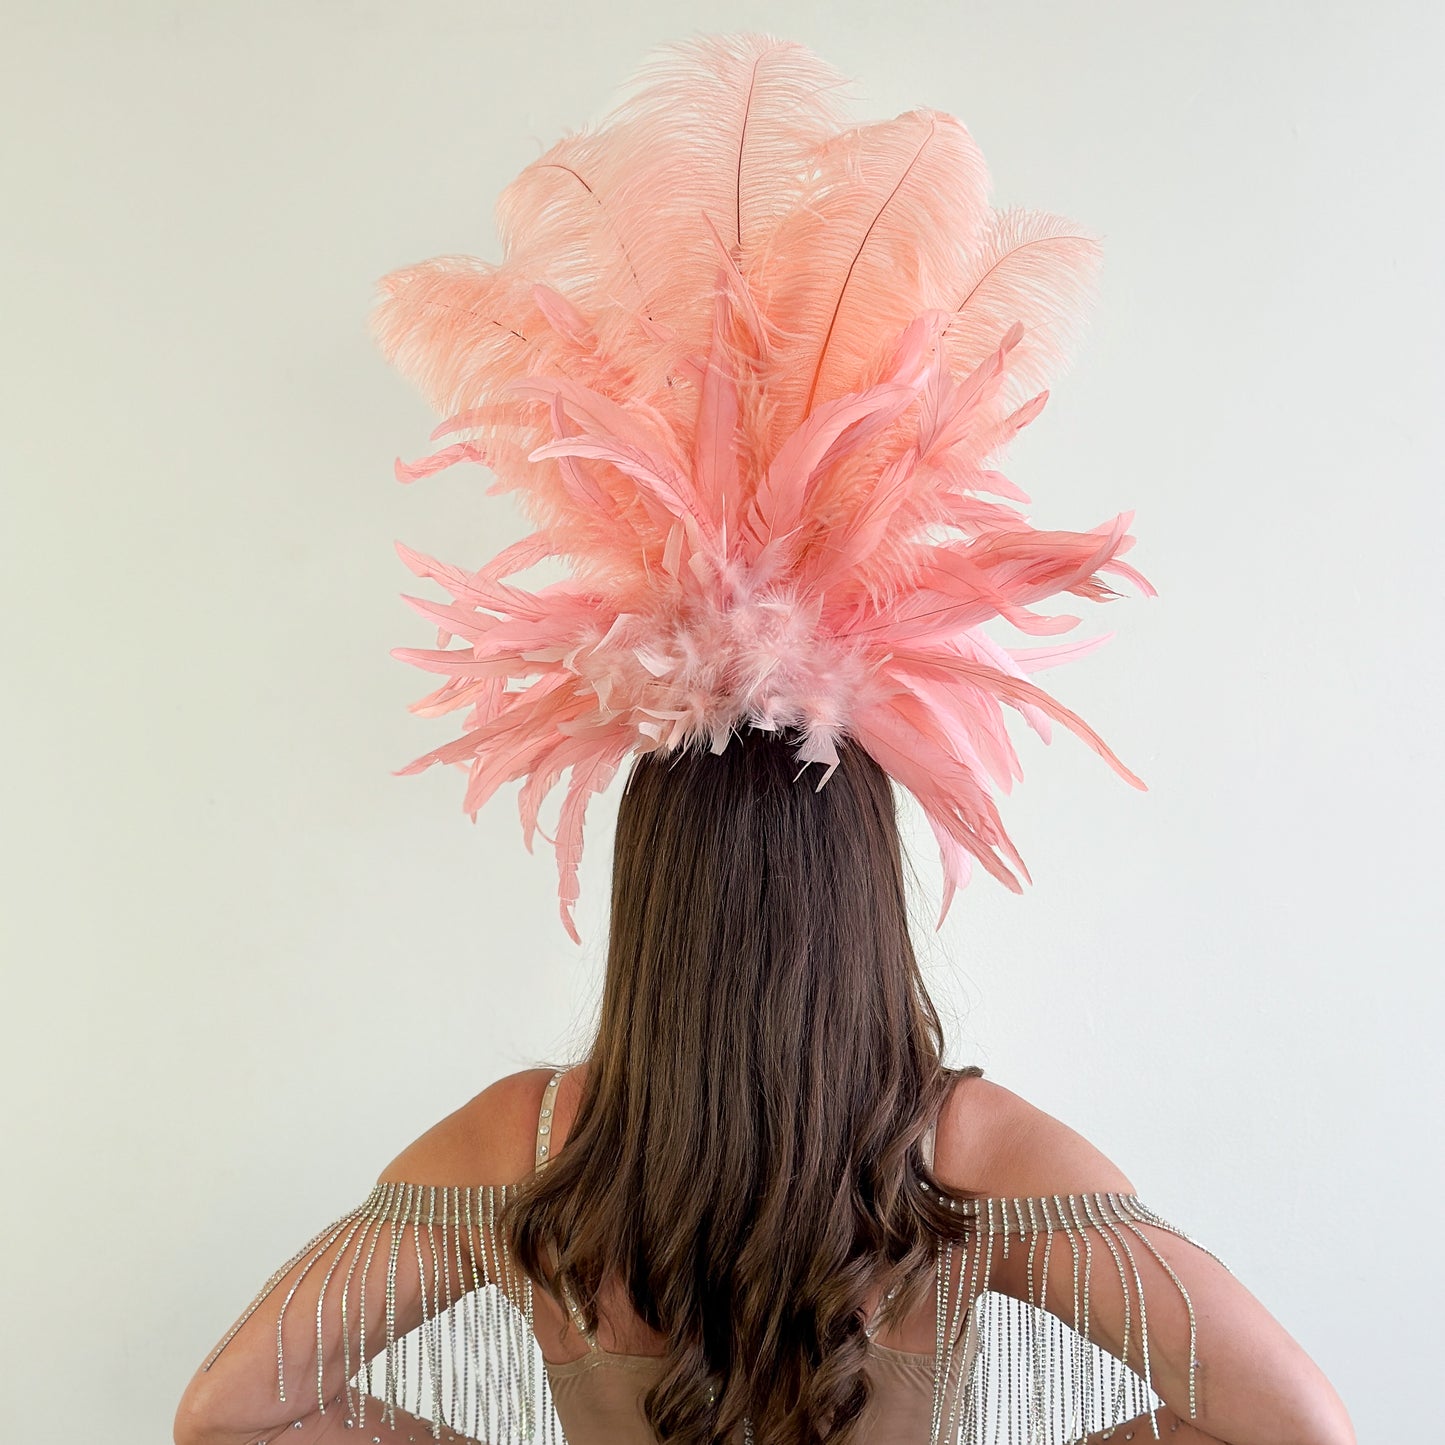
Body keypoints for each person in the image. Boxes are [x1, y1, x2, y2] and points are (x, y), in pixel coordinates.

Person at [172, 31, 1356, 1445]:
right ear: (863, 894)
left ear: (649, 887)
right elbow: (1301, 1425)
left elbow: (228, 1416)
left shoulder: (529, 1142)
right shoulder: (965, 1151)